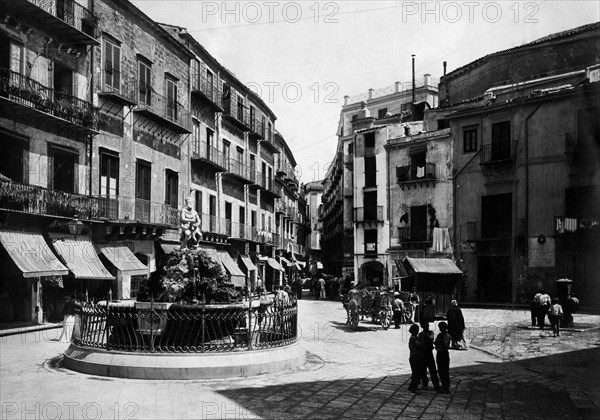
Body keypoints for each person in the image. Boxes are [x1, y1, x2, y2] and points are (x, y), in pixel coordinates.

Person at [418, 320, 440, 391]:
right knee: (423, 370)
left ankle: (436, 385)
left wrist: (426, 339)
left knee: (433, 370)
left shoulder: (431, 332)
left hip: (429, 353)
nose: (427, 326)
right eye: (425, 325)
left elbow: (431, 339)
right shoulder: (421, 334)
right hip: (423, 353)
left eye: (427, 325)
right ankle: (425, 383)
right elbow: (421, 342)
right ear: (422, 326)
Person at [434, 321, 451, 394]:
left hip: (444, 354)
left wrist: (438, 343)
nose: (440, 329)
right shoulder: (439, 335)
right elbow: (436, 342)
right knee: (440, 371)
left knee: (445, 371)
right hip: (439, 353)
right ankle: (444, 385)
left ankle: (446, 387)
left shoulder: (447, 335)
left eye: (441, 327)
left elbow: (445, 344)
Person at [408, 324, 424, 394]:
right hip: (415, 356)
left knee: (415, 372)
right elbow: (419, 345)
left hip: (415, 356)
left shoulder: (415, 337)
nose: (417, 331)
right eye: (416, 330)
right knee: (416, 373)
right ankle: (414, 387)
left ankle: (412, 385)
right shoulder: (413, 338)